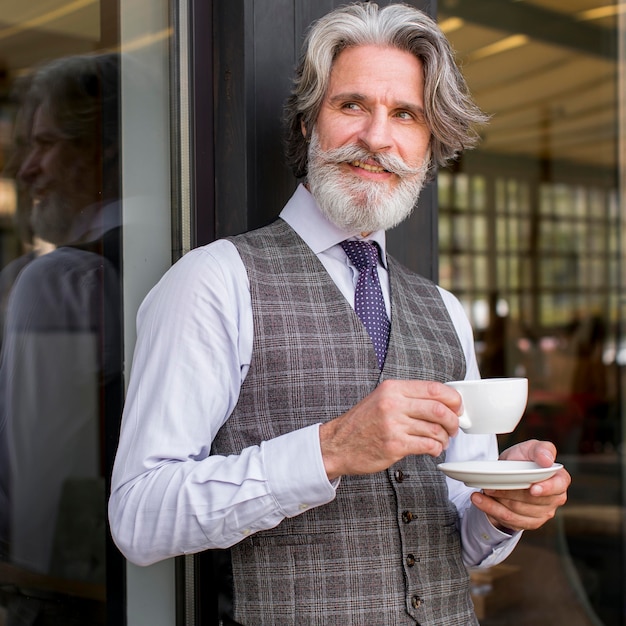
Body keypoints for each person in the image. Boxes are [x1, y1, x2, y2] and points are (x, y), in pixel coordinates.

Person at [109, 3, 570, 625]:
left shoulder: (445, 311)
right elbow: (138, 518)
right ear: (308, 124)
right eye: (352, 105)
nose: (378, 138)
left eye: (405, 114)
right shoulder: (213, 281)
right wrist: (328, 449)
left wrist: (501, 506)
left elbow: (457, 544)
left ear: (429, 143)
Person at [0, 51, 121, 625]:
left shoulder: (61, 281)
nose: (25, 170)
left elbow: (41, 510)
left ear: (104, 149)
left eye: (44, 143)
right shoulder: (191, 252)